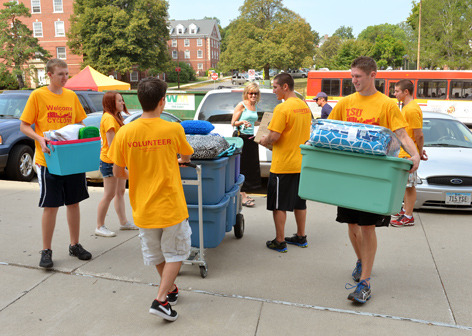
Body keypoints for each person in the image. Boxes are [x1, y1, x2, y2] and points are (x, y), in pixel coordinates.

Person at [328, 56, 420, 304]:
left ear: (373, 75)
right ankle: (361, 260)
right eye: (352, 76)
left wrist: (414, 154)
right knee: (351, 225)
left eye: (358, 76)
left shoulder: (387, 105)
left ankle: (365, 283)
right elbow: (329, 130)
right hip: (349, 175)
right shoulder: (345, 103)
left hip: (373, 177)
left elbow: (401, 133)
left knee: (367, 226)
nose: (354, 81)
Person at [108, 77, 194, 322]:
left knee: (157, 254)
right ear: (162, 102)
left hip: (143, 206)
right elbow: (187, 154)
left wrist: (135, 176)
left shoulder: (125, 132)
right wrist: (181, 161)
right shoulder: (172, 128)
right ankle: (161, 299)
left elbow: (117, 172)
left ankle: (170, 289)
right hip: (170, 204)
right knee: (176, 253)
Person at [20, 58, 92, 268]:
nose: (65, 77)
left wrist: (82, 138)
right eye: (60, 74)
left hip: (71, 158)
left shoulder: (71, 96)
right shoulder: (38, 95)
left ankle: (75, 245)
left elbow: (80, 123)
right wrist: (39, 138)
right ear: (49, 75)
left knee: (73, 202)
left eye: (67, 73)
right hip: (48, 159)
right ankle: (46, 250)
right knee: (51, 206)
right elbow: (24, 126)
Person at [260, 73, 311, 253]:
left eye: (275, 87)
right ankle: (300, 236)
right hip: (301, 162)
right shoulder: (303, 106)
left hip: (284, 164)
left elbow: (274, 136)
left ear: (285, 87)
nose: (274, 91)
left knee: (278, 204)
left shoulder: (282, 109)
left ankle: (280, 240)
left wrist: (263, 140)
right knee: (299, 203)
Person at [95, 91, 136, 237]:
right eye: (119, 101)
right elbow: (113, 145)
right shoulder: (109, 119)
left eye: (122, 100)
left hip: (117, 161)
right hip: (110, 161)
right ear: (111, 102)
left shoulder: (115, 117)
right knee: (109, 194)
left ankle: (124, 222)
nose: (122, 103)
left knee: (119, 192)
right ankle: (99, 226)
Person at [391, 80, 428, 227]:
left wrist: (418, 154)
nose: (395, 94)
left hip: (408, 156)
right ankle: (405, 210)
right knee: (405, 185)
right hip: (404, 154)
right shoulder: (407, 108)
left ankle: (408, 216)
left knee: (409, 186)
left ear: (406, 92)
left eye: (397, 91)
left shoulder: (412, 109)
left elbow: (419, 135)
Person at [231, 82, 262, 207]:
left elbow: (253, 122)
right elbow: (233, 122)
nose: (253, 95)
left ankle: (245, 192)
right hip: (242, 138)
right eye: (251, 93)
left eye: (255, 93)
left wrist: (265, 123)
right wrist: (242, 121)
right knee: (242, 167)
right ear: (246, 94)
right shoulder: (242, 105)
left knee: (251, 167)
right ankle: (242, 195)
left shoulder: (254, 106)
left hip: (251, 139)